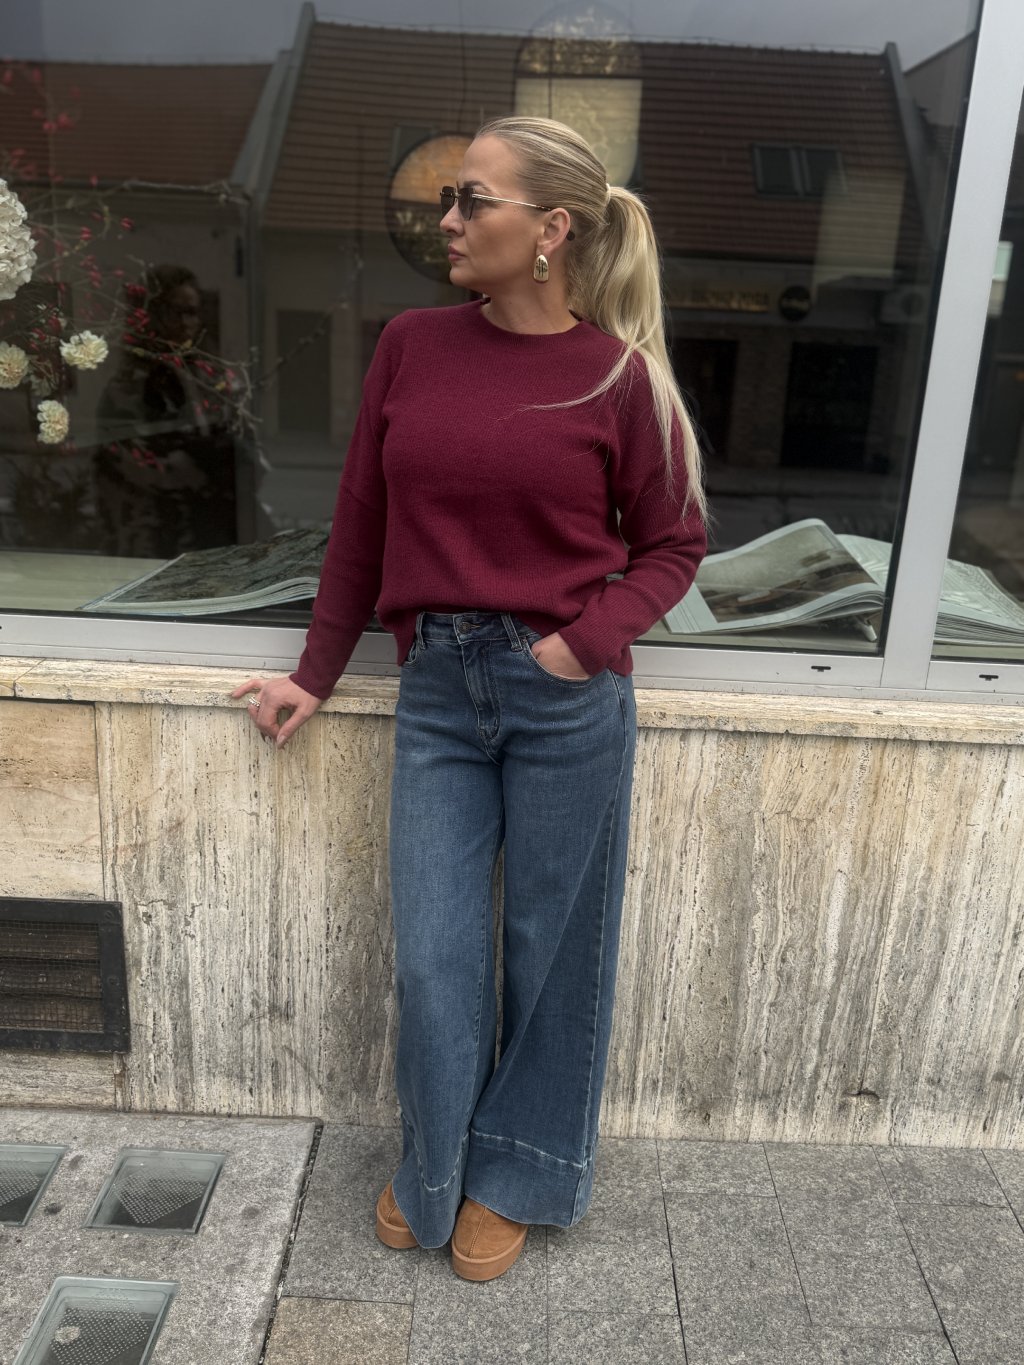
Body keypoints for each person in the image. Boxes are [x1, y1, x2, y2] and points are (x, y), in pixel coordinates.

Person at [231, 116, 709, 1282]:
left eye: (471, 200)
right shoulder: (412, 345)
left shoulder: (617, 378)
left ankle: (520, 1170)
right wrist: (315, 671)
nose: (446, 221)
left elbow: (674, 545)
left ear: (550, 229)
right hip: (438, 690)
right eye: (449, 199)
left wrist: (581, 646)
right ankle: (437, 1162)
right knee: (435, 956)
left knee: (553, 949)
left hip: (562, 698)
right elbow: (362, 522)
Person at [95, 263, 238, 557]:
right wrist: (186, 470)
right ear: (154, 314)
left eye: (193, 313)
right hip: (155, 536)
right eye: (177, 312)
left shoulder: (203, 373)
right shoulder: (132, 383)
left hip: (204, 533)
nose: (187, 323)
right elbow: (128, 463)